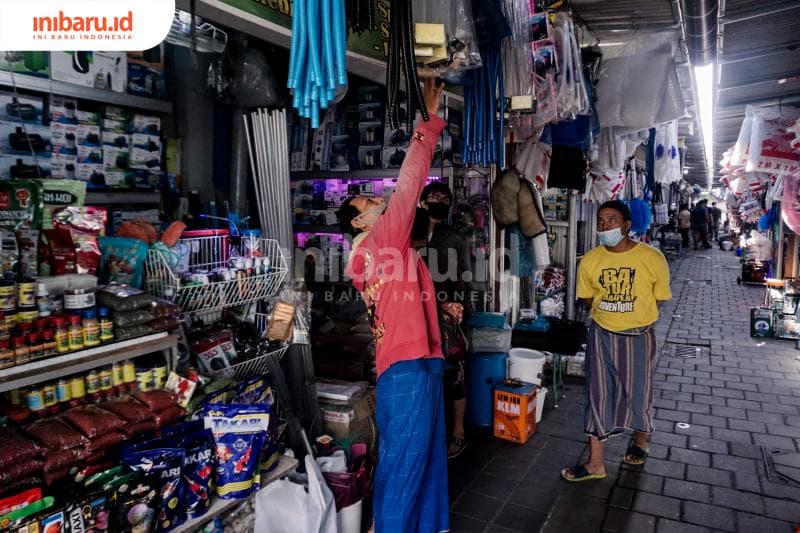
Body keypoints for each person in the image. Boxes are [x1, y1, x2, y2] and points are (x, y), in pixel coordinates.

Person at [338, 78, 449, 533]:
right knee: (405, 465)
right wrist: (426, 126)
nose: (375, 198)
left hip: (414, 363)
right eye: (366, 200)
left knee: (419, 462)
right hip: (406, 368)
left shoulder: (381, 250)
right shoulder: (380, 240)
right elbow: (408, 189)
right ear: (359, 221)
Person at [561, 200, 671, 482]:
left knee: (638, 393)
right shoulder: (590, 260)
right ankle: (595, 463)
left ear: (626, 225)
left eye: (611, 220)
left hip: (638, 337)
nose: (604, 226)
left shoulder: (652, 257)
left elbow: (658, 298)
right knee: (597, 395)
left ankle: (641, 440)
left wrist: (634, 317)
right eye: (600, 220)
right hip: (601, 336)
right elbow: (588, 298)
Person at [416, 181, 471, 459]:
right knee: (427, 373)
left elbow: (465, 279)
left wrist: (459, 311)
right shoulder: (412, 233)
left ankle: (458, 433)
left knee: (455, 372)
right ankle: (432, 433)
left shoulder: (456, 237)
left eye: (444, 198)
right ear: (423, 201)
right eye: (434, 196)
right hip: (416, 311)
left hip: (448, 312)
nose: (439, 201)